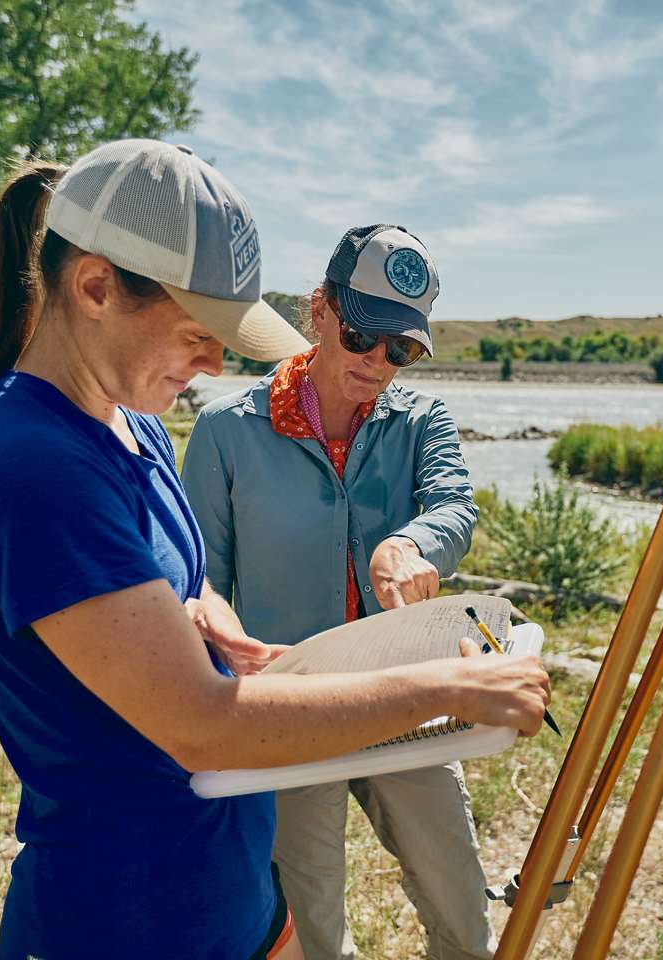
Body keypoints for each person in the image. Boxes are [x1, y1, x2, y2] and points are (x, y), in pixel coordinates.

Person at [0, 138, 546, 959]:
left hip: (231, 890)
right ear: (95, 288)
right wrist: (454, 687)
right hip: (128, 920)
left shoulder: (132, 420)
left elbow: (183, 574)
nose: (217, 362)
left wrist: (213, 623)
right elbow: (203, 725)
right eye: (197, 332)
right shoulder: (31, 470)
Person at [180, 225, 492, 960]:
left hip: (407, 699)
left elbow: (455, 505)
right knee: (312, 926)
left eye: (402, 350)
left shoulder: (423, 421)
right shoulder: (226, 429)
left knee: (463, 907)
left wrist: (410, 544)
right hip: (289, 712)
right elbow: (200, 579)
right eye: (362, 337)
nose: (379, 364)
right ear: (317, 310)